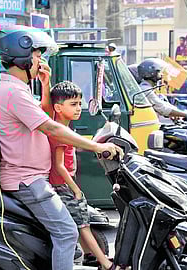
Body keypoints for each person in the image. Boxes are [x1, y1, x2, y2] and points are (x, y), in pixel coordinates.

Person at [0, 25, 122, 270]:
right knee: (66, 232)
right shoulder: (13, 92)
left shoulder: (15, 89)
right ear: (22, 58)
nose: (39, 60)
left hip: (30, 178)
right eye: (36, 56)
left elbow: (42, 114)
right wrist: (96, 147)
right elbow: (52, 127)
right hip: (28, 180)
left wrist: (46, 82)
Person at [46, 81, 114, 270]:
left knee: (81, 222)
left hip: (63, 184)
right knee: (83, 225)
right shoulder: (60, 133)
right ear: (58, 107)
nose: (79, 108)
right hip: (63, 186)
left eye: (79, 103)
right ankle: (106, 263)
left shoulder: (64, 129)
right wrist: (75, 189)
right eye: (73, 104)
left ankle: (90, 258)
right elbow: (59, 166)